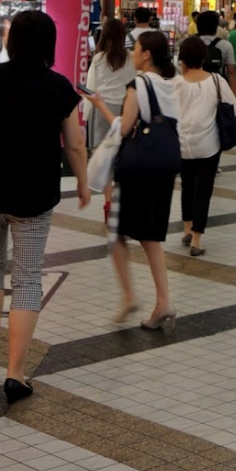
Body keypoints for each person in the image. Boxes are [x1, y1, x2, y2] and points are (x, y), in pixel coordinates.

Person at [0, 9, 88, 404]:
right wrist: (83, 182)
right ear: (49, 45)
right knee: (28, 278)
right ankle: (16, 373)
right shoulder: (59, 88)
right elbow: (75, 143)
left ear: (11, 40)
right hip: (34, 195)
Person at [87, 30, 179, 330]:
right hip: (164, 164)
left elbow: (124, 127)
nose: (134, 53)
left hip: (138, 167)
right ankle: (162, 301)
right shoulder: (168, 84)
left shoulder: (138, 84)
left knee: (115, 231)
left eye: (137, 48)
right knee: (150, 235)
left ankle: (130, 296)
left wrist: (100, 105)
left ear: (147, 54)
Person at [176, 35, 236, 257]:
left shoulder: (175, 84)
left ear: (181, 59)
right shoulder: (216, 81)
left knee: (187, 186)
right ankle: (196, 239)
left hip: (182, 145)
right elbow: (233, 107)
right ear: (204, 57)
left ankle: (186, 227)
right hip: (208, 145)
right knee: (203, 191)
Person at [84, 17, 133, 226]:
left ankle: (108, 202)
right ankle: (121, 202)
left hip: (102, 112)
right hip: (125, 111)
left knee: (105, 160)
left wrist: (85, 118)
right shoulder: (131, 58)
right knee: (123, 157)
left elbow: (90, 87)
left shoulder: (98, 59)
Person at [195, 10, 236, 96]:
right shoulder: (226, 45)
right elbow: (231, 72)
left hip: (194, 86)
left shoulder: (190, 43)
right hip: (218, 87)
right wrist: (233, 95)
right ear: (216, 27)